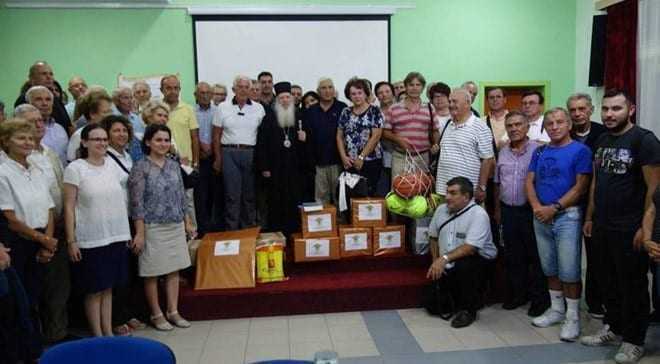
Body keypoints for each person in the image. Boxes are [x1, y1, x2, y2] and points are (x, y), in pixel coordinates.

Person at [580, 89, 660, 363]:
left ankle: (634, 340)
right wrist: (590, 217)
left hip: (630, 228)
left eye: (616, 108)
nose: (610, 114)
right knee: (607, 282)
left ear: (631, 109)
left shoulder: (644, 140)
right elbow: (596, 183)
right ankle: (613, 329)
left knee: (633, 286)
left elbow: (654, 188)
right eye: (606, 109)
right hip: (602, 225)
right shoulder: (602, 139)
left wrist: (644, 228)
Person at [525, 107, 592, 342]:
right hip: (540, 215)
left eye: (559, 122)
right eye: (550, 123)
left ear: (569, 125)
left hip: (567, 216)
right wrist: (536, 208)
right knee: (549, 266)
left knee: (569, 269)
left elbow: (580, 187)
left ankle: (572, 317)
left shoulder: (580, 151)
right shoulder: (540, 151)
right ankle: (556, 309)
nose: (554, 127)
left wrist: (554, 208)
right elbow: (530, 181)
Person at [63, 124, 131, 337]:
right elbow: (69, 206)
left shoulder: (111, 163)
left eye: (104, 139)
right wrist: (71, 240)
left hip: (116, 235)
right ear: (84, 142)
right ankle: (97, 335)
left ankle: (108, 332)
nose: (102, 143)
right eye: (96, 139)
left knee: (108, 287)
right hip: (91, 238)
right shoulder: (76, 168)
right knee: (94, 289)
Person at [129, 124, 194, 331]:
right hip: (152, 226)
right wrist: (140, 232)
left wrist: (187, 221)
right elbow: (136, 203)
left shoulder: (174, 165)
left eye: (166, 140)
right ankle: (156, 314)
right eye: (158, 140)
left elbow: (181, 195)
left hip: (175, 224)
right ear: (148, 142)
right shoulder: (140, 167)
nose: (163, 144)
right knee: (153, 272)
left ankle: (173, 311)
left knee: (174, 270)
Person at [0, 119, 57, 354]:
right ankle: (22, 352)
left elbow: (49, 207)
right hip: (20, 242)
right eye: (21, 138)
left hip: (43, 239)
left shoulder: (38, 167)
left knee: (37, 298)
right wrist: (42, 240)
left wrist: (48, 242)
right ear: (5, 141)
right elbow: (10, 218)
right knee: (19, 303)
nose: (27, 142)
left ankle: (36, 348)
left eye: (31, 138)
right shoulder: (3, 172)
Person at [14, 104, 70, 343]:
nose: (39, 125)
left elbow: (57, 190)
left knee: (59, 286)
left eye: (40, 120)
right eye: (31, 122)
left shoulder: (49, 152)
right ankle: (35, 341)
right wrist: (44, 238)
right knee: (33, 291)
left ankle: (57, 334)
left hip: (55, 226)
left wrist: (55, 231)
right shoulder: (18, 158)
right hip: (27, 232)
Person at [493, 111, 549, 317]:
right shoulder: (503, 152)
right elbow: (497, 183)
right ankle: (518, 295)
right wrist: (498, 210)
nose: (514, 128)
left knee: (535, 256)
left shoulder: (539, 150)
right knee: (513, 256)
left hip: (531, 211)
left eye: (518, 124)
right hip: (508, 211)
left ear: (527, 127)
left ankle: (539, 300)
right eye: (510, 125)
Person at [427, 177, 497, 328]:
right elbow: (433, 237)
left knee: (466, 265)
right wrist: (435, 261)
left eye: (453, 193)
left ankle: (468, 311)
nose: (447, 197)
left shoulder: (478, 214)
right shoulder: (441, 210)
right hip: (447, 262)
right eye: (447, 192)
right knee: (433, 305)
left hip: (475, 261)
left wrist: (443, 259)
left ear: (466, 197)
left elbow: (471, 247)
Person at [567, 92, 608, 319]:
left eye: (582, 109)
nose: (577, 114)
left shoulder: (604, 134)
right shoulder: (565, 134)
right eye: (573, 110)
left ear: (591, 110)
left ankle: (596, 302)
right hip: (569, 202)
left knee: (595, 256)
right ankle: (568, 301)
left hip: (598, 204)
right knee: (569, 255)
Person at [212, 75, 265, 230]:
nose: (243, 90)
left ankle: (248, 231)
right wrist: (218, 158)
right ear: (234, 89)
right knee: (232, 195)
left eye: (246, 87)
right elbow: (216, 135)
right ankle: (232, 231)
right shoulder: (223, 107)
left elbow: (263, 136)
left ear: (250, 89)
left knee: (249, 195)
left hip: (251, 154)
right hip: (229, 153)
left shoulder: (258, 108)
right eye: (239, 87)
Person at [256, 82, 308, 235]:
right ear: (277, 100)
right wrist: (264, 167)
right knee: (276, 200)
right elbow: (262, 144)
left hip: (295, 168)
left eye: (287, 97)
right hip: (276, 167)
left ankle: (294, 232)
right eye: (282, 98)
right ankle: (277, 233)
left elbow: (308, 145)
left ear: (292, 99)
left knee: (294, 199)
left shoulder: (299, 116)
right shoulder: (269, 118)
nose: (285, 100)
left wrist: (305, 138)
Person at [435, 88, 495, 202]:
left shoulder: (480, 127)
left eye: (455, 101)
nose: (451, 105)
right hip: (443, 190)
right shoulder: (449, 124)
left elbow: (487, 159)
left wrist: (482, 187)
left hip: (465, 193)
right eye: (450, 101)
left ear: (468, 103)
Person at [383, 72, 439, 181]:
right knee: (399, 190)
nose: (414, 88)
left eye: (418, 85)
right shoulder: (394, 108)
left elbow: (435, 130)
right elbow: (385, 132)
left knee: (421, 191)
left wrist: (435, 144)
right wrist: (398, 139)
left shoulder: (429, 108)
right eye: (411, 85)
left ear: (422, 88)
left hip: (423, 157)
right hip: (400, 157)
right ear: (406, 87)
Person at [161, 75, 199, 231]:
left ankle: (193, 234)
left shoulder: (188, 109)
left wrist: (195, 163)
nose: (173, 91)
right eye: (169, 88)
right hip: (162, 163)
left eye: (176, 88)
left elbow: (194, 137)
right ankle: (176, 233)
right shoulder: (157, 109)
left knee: (188, 200)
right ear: (162, 90)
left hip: (185, 163)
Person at [302, 78, 347, 205]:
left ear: (334, 90)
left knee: (340, 198)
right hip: (318, 164)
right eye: (323, 88)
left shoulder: (343, 108)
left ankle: (340, 223)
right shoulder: (310, 111)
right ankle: (323, 225)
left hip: (338, 162)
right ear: (318, 91)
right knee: (321, 199)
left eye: (330, 87)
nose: (327, 91)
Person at [337, 78, 384, 197]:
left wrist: (362, 157)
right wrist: (343, 157)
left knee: (368, 197)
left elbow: (376, 136)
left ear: (365, 94)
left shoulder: (375, 111)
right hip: (350, 162)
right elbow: (339, 136)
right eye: (353, 94)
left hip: (371, 160)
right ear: (349, 96)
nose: (357, 96)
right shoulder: (345, 112)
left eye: (360, 93)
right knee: (350, 197)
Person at [14, 61, 71, 132]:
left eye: (51, 74)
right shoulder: (24, 99)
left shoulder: (55, 99)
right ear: (32, 78)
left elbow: (68, 125)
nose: (49, 77)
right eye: (44, 74)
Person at [193, 82, 217, 235]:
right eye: (201, 92)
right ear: (196, 95)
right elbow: (192, 134)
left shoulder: (218, 111)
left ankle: (215, 229)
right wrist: (202, 147)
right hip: (198, 157)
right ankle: (202, 230)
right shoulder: (190, 111)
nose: (205, 95)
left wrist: (212, 149)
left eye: (208, 92)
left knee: (215, 195)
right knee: (200, 196)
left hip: (215, 157)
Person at [27, 85, 69, 166]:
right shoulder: (25, 130)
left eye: (48, 99)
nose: (45, 103)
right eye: (38, 99)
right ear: (29, 103)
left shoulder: (60, 129)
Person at [67, 88, 113, 161]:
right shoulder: (79, 136)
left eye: (110, 111)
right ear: (92, 114)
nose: (110, 115)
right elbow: (72, 162)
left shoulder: (110, 132)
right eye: (105, 112)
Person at [374, 81, 396, 196]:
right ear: (377, 96)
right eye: (380, 93)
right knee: (382, 191)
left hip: (400, 153)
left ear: (393, 93)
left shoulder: (401, 110)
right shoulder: (374, 112)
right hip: (381, 156)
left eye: (387, 91)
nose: (384, 95)